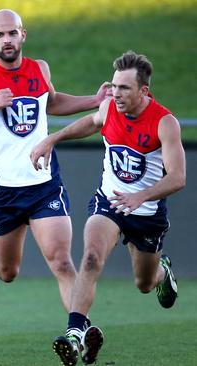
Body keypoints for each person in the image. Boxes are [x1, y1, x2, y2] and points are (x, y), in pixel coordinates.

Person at [0, 9, 110, 315]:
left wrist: (93, 100)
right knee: (9, 271)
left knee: (62, 261)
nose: (7, 40)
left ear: (23, 35)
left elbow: (52, 101)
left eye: (12, 33)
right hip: (4, 191)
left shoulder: (39, 68)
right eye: (0, 34)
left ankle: (78, 332)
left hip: (44, 185)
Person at [31, 51, 184, 366]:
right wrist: (52, 139)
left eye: (125, 88)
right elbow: (90, 122)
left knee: (143, 284)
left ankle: (161, 272)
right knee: (89, 258)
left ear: (144, 91)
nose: (116, 93)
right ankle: (75, 332)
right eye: (114, 86)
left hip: (147, 213)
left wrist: (141, 196)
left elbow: (178, 177)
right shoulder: (108, 107)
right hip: (109, 202)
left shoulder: (164, 122)